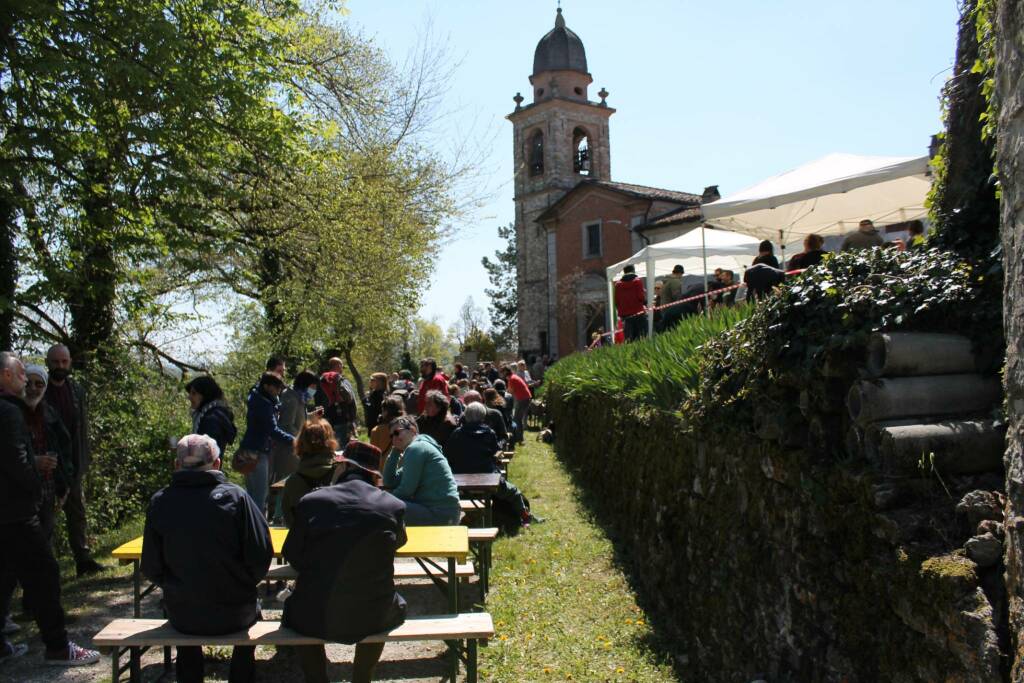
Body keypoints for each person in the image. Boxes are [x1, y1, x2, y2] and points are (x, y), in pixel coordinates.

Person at [142, 434, 272, 683]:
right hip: (237, 612)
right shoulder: (238, 498)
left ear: (177, 465)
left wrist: (174, 585)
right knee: (255, 617)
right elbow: (260, 555)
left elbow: (151, 565)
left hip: (183, 614)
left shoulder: (160, 502)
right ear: (218, 464)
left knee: (187, 620)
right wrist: (243, 583)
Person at [0, 352, 100, 666]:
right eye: (19, 375)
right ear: (5, 375)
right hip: (15, 510)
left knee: (3, 575)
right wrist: (36, 484)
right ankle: (58, 647)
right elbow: (17, 462)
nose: (24, 382)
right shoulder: (8, 412)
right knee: (45, 573)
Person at [283, 441, 406, 683]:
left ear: (344, 467)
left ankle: (317, 679)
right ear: (374, 475)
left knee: (298, 608)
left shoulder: (311, 501)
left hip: (316, 613)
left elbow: (293, 554)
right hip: (373, 612)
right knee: (388, 605)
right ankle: (362, 676)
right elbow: (399, 542)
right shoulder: (393, 506)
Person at [43, 344, 102, 576]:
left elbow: (82, 427)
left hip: (73, 460)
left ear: (69, 363)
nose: (60, 366)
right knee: (46, 517)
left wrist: (83, 459)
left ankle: (83, 559)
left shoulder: (77, 390)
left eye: (64, 362)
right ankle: (45, 568)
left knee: (77, 511)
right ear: (48, 363)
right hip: (47, 460)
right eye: (56, 362)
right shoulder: (38, 387)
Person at [444, 403, 533, 532]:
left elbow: (447, 454)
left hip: (460, 482)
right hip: (487, 480)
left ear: (466, 416)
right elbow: (496, 452)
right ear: (483, 416)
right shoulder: (489, 432)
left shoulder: (456, 433)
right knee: (514, 492)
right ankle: (525, 516)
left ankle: (470, 518)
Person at [382, 416, 460, 526]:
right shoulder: (420, 448)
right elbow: (389, 481)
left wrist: (383, 500)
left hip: (439, 513)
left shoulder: (416, 448)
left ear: (412, 430)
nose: (394, 438)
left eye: (397, 432)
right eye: (391, 436)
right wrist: (395, 451)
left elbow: (406, 490)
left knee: (383, 508)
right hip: (444, 511)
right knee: (385, 506)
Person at [237, 372, 296, 515]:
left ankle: (249, 527)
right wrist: (294, 441)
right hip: (257, 452)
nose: (278, 392)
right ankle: (256, 530)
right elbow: (272, 430)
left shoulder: (257, 398)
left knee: (252, 493)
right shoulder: (263, 403)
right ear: (267, 386)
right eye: (276, 388)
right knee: (259, 495)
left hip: (249, 449)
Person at [281, 418, 340, 529]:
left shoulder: (292, 483)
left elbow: (289, 523)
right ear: (330, 442)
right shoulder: (341, 476)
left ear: (300, 444)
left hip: (305, 544)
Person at [272, 371, 318, 485]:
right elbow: (287, 425)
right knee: (284, 484)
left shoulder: (299, 397)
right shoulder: (291, 397)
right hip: (288, 450)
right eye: (313, 387)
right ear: (305, 384)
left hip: (295, 448)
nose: (314, 391)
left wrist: (312, 416)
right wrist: (301, 440)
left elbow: (299, 419)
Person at [184, 375, 237, 457]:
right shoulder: (212, 415)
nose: (189, 397)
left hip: (205, 468)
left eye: (194, 393)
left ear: (205, 395)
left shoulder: (212, 419)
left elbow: (207, 453)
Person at [319, 371, 357, 442]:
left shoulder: (327, 387)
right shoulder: (341, 385)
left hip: (339, 420)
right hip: (343, 418)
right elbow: (352, 403)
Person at [614, 264, 647, 341]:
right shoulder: (637, 281)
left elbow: (617, 301)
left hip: (625, 316)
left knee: (629, 338)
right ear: (633, 271)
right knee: (641, 336)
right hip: (638, 313)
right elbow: (641, 297)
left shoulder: (618, 285)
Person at [370, 396, 405, 467]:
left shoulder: (376, 431)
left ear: (386, 412)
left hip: (383, 471)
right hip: (402, 470)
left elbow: (373, 457)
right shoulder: (406, 428)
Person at [501, 365, 532, 446]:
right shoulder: (513, 377)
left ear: (505, 372)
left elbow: (509, 391)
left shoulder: (511, 379)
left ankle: (519, 439)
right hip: (525, 398)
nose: (501, 375)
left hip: (523, 399)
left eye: (502, 373)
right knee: (517, 419)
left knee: (516, 419)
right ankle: (518, 438)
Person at [660, 264, 687, 331]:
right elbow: (677, 296)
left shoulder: (666, 281)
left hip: (664, 308)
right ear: (680, 273)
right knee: (674, 329)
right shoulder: (675, 281)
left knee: (667, 329)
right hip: (671, 309)